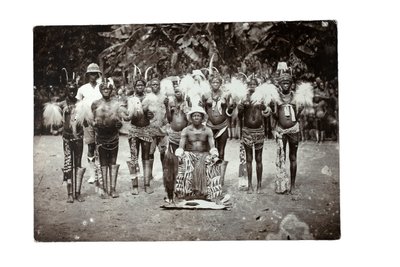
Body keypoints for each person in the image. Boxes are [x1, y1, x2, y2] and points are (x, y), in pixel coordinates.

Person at [43, 82, 86, 203]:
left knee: (78, 163)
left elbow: (86, 122)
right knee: (68, 163)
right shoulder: (61, 105)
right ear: (66, 90)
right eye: (70, 90)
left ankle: (77, 193)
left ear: (77, 90)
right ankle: (69, 193)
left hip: (79, 138)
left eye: (74, 90)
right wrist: (57, 128)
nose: (72, 91)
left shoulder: (81, 104)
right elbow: (55, 123)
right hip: (67, 138)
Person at [270, 73, 313, 194]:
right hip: (281, 130)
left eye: (287, 83)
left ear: (291, 84)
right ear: (279, 84)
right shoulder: (276, 97)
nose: (285, 85)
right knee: (281, 158)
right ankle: (282, 184)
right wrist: (273, 128)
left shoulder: (296, 97)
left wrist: (299, 111)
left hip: (294, 130)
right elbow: (276, 116)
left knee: (293, 157)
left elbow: (297, 117)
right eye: (283, 83)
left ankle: (293, 185)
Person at [174, 106, 222, 202]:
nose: (196, 117)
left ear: (202, 118)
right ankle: (185, 192)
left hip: (203, 155)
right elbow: (181, 147)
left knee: (213, 163)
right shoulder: (186, 130)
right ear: (191, 118)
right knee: (184, 161)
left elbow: (212, 146)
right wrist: (179, 155)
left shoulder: (207, 130)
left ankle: (210, 193)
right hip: (190, 154)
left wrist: (214, 154)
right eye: (194, 116)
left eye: (198, 116)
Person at [237, 78, 271, 194]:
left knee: (259, 159)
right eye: (250, 84)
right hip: (247, 131)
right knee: (249, 159)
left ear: (257, 85)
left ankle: (259, 184)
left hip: (259, 131)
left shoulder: (262, 97)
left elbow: (268, 114)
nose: (252, 86)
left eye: (254, 84)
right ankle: (250, 184)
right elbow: (239, 116)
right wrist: (241, 108)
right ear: (247, 86)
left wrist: (264, 108)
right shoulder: (244, 98)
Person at [91, 77, 122, 198]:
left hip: (114, 136)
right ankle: (104, 189)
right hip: (101, 137)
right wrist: (94, 124)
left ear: (111, 90)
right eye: (103, 89)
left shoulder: (116, 103)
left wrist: (119, 124)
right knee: (103, 162)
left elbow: (120, 119)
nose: (106, 91)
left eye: (108, 89)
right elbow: (91, 120)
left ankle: (113, 189)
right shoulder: (95, 104)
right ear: (100, 90)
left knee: (113, 161)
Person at [201, 75, 234, 186]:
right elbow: (202, 110)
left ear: (220, 83)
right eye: (213, 82)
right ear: (210, 83)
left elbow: (229, 112)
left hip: (223, 126)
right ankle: (210, 177)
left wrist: (231, 107)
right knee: (210, 151)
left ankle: (220, 178)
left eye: (217, 82)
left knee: (221, 151)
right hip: (210, 126)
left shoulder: (226, 95)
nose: (215, 84)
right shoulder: (205, 95)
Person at [124, 80, 156, 195]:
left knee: (146, 157)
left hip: (146, 129)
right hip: (134, 130)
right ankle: (135, 185)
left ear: (144, 86)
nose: (140, 87)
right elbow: (122, 110)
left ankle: (147, 185)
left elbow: (153, 113)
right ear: (134, 86)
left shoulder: (149, 98)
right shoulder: (130, 99)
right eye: (137, 85)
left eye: (142, 85)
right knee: (134, 157)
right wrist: (126, 116)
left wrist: (151, 114)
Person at [163, 84, 191, 203]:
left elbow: (190, 120)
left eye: (179, 91)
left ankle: (183, 190)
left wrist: (188, 106)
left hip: (184, 137)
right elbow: (169, 119)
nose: (177, 93)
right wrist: (167, 107)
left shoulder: (186, 104)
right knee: (172, 164)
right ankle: (173, 190)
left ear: (183, 92)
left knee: (183, 164)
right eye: (176, 92)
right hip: (173, 137)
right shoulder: (171, 103)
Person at [76, 63, 102, 184]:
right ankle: (93, 175)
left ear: (98, 74)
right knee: (91, 146)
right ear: (87, 75)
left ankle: (100, 173)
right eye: (90, 73)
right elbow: (78, 106)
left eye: (95, 73)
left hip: (101, 120)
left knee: (101, 146)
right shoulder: (82, 89)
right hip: (88, 121)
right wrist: (82, 119)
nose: (93, 76)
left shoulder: (102, 86)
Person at [148, 78, 168, 180]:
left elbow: (168, 113)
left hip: (162, 128)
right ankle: (149, 174)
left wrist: (167, 104)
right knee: (150, 152)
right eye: (153, 84)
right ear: (150, 86)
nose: (155, 86)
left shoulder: (164, 97)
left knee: (163, 151)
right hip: (151, 128)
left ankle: (165, 172)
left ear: (159, 86)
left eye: (157, 84)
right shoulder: (148, 98)